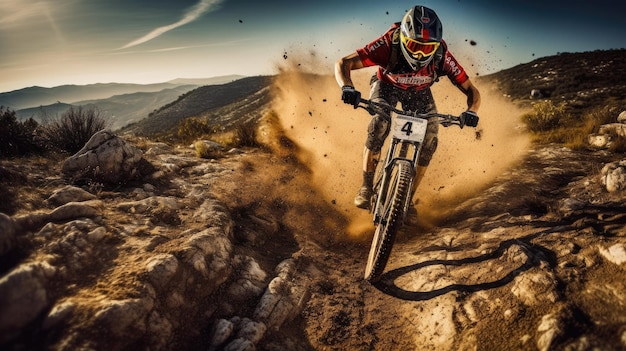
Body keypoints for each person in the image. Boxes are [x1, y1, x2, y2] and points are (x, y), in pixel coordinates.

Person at [335, 5, 481, 212]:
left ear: (436, 45)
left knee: (430, 137)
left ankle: (407, 198)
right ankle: (366, 187)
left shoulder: (442, 55)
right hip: (386, 86)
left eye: (428, 48)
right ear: (402, 39)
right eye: (414, 46)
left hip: (420, 93)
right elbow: (344, 63)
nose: (421, 54)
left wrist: (471, 111)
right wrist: (347, 87)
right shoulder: (387, 44)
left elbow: (471, 90)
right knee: (379, 123)